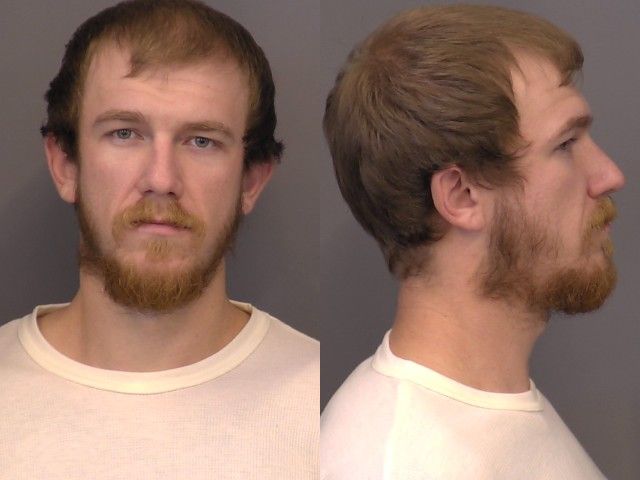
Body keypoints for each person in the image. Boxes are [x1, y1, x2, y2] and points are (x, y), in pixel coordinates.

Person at [0, 1, 318, 478]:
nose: (162, 179)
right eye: (125, 133)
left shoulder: (321, 408)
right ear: (65, 165)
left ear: (251, 181)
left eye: (202, 141)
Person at [321, 5, 624, 479]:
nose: (609, 175)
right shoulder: (403, 465)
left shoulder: (488, 409)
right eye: (565, 144)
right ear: (461, 196)